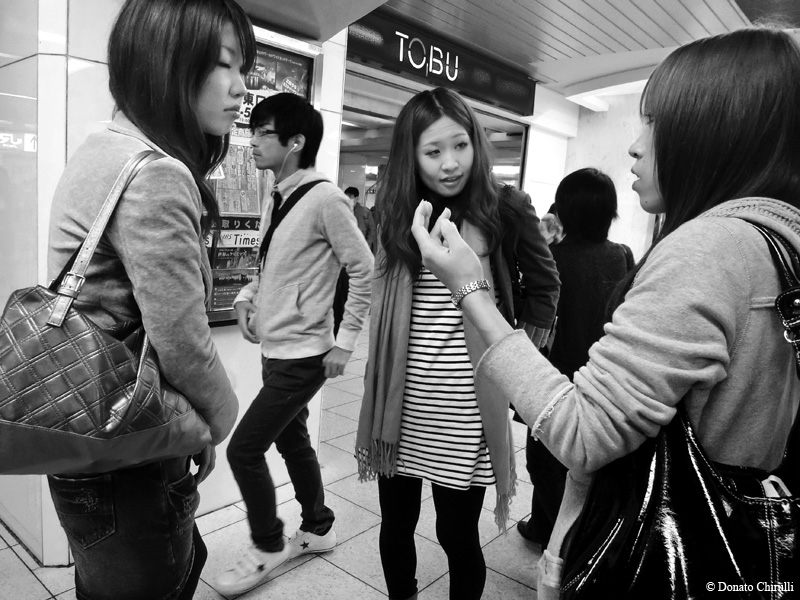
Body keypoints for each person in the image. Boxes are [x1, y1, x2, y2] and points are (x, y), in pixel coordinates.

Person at [410, 27, 800, 599]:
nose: (635, 147)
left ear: (718, 133)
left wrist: (470, 289)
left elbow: (586, 433)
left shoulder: (710, 250)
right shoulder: (778, 242)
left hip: (662, 550)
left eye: (655, 123)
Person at [45, 1, 252, 598]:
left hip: (86, 437)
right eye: (223, 64)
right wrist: (215, 422)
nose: (241, 87)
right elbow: (181, 341)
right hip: (128, 451)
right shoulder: (156, 172)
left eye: (243, 67)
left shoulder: (103, 147)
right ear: (167, 62)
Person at [356, 87, 560, 600]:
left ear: (476, 144)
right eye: (433, 151)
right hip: (401, 400)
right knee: (395, 522)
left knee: (456, 532)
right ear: (411, 155)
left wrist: (519, 357)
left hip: (467, 404)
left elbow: (545, 285)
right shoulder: (397, 209)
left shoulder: (504, 206)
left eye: (461, 146)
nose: (450, 163)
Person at [215, 93, 373, 596]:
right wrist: (247, 297)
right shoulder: (277, 196)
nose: (253, 142)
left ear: (296, 142)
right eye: (254, 131)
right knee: (293, 440)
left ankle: (267, 544)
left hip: (304, 354)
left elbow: (364, 268)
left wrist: (345, 342)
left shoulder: (327, 200)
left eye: (264, 133)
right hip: (275, 348)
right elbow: (271, 267)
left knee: (243, 450)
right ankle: (319, 526)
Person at [517, 168, 634, 549]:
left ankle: (563, 543)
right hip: (605, 375)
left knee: (544, 461)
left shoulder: (552, 259)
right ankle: (545, 527)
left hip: (556, 377)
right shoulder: (622, 256)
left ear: (563, 211)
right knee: (586, 463)